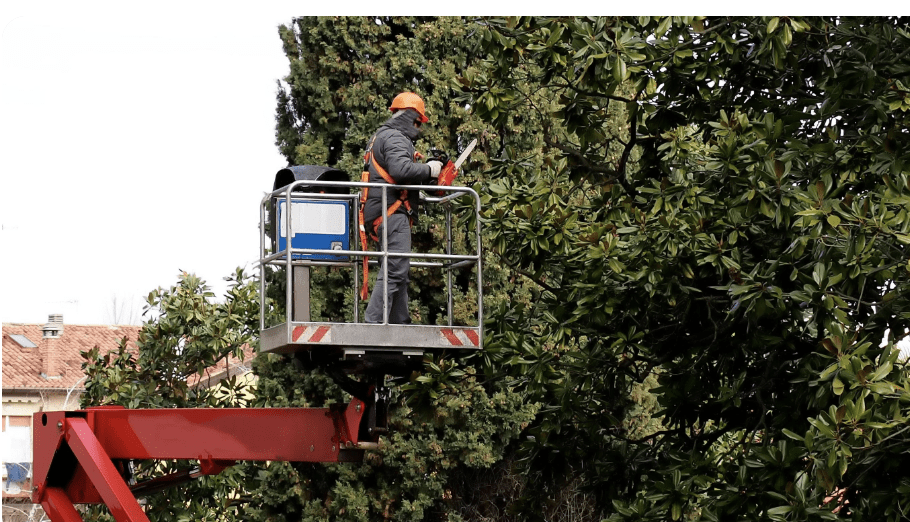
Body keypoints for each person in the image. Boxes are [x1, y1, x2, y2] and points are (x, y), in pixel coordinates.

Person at [362, 92, 442, 324]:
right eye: (418, 122)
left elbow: (399, 174)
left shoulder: (382, 136)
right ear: (410, 116)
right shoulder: (396, 138)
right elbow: (400, 170)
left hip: (381, 213)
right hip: (391, 213)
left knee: (398, 270)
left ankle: (400, 322)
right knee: (396, 269)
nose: (418, 128)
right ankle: (374, 324)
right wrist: (430, 170)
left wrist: (428, 177)